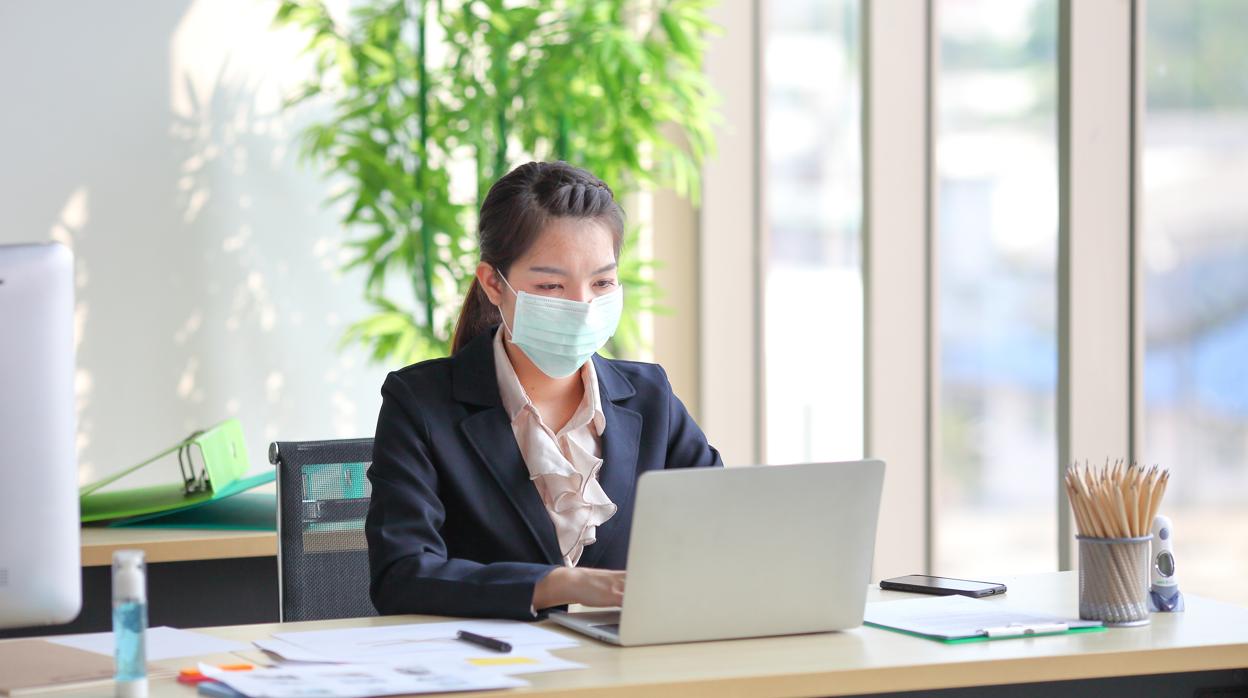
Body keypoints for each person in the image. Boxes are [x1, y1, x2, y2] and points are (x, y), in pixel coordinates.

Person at [365, 161, 723, 620]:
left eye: (602, 282)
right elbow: (402, 575)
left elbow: (723, 527)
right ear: (495, 283)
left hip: (632, 662)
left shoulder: (650, 396)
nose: (582, 305)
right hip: (493, 671)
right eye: (551, 285)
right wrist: (556, 585)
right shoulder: (421, 403)